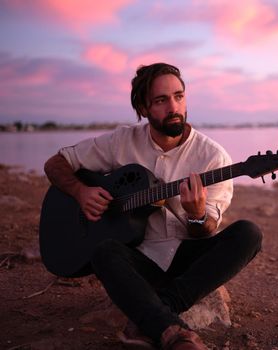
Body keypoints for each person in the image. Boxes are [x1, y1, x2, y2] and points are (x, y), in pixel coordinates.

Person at [43, 63, 262, 350]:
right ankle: (170, 329)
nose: (174, 107)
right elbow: (56, 163)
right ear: (143, 109)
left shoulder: (213, 158)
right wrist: (81, 191)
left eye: (179, 96)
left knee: (249, 233)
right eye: (161, 100)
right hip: (138, 258)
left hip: (186, 259)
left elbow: (205, 230)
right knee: (104, 251)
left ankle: (160, 316)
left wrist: (196, 215)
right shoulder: (123, 141)